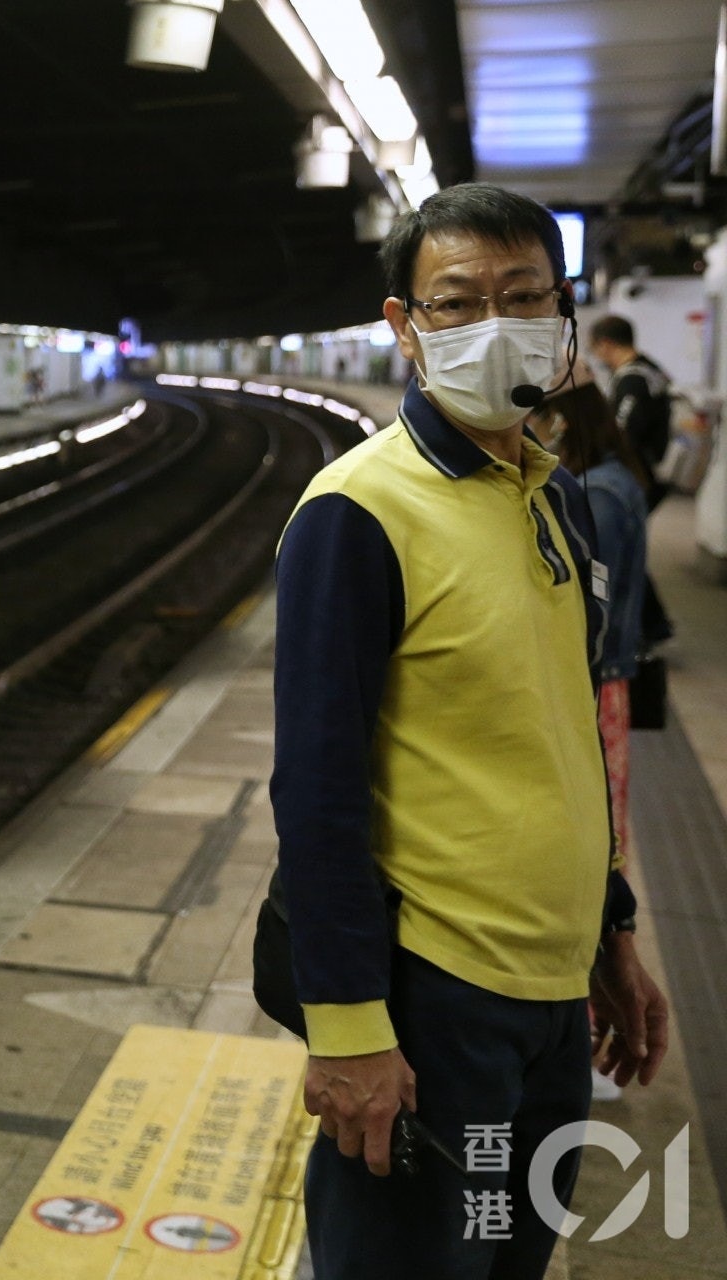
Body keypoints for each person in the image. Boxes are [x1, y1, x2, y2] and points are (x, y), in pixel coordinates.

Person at [265, 183, 667, 1280]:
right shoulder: (356, 514)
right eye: (457, 302)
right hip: (435, 998)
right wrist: (347, 1025)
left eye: (523, 294)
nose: (495, 322)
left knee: (504, 1262)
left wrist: (611, 931)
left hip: (550, 1001)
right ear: (405, 328)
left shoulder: (556, 498)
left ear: (564, 312)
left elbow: (569, 733)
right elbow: (317, 787)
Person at [533, 370, 651, 1105]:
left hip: (597, 678)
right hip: (611, 676)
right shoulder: (617, 480)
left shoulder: (595, 493)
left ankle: (583, 1023)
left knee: (594, 832)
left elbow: (586, 595)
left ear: (565, 420)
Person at [588, 315, 675, 646]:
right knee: (631, 548)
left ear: (607, 344)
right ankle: (654, 624)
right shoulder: (653, 370)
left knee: (625, 549)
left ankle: (650, 627)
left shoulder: (632, 380)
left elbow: (624, 434)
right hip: (650, 473)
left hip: (638, 476)